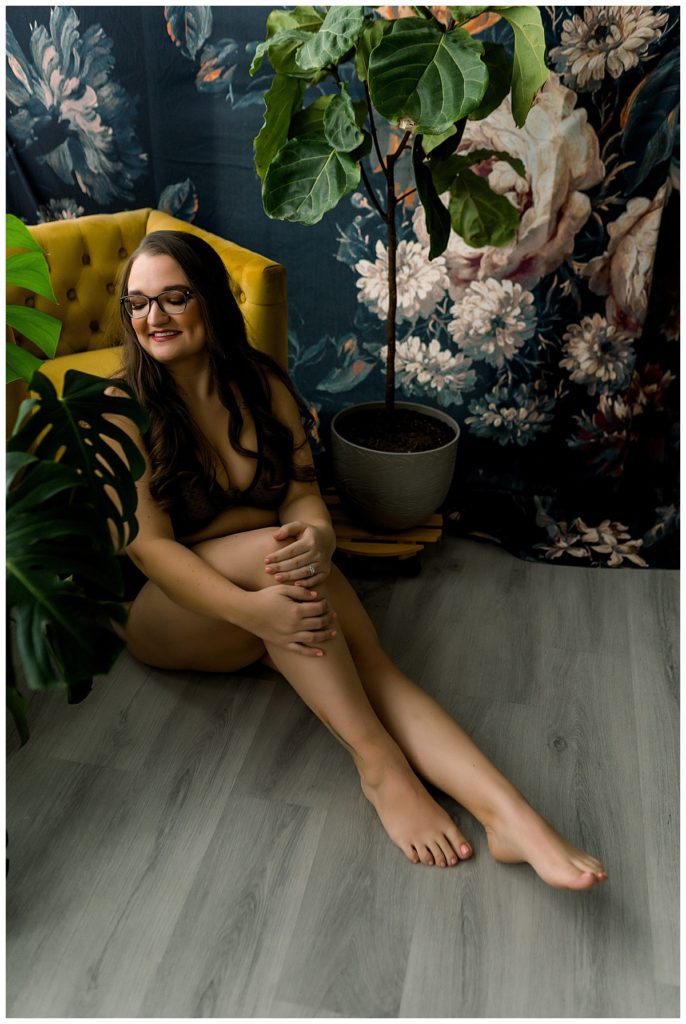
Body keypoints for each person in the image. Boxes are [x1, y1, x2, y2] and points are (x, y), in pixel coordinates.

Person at [108, 229, 608, 890]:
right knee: (278, 563)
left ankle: (513, 816)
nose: (154, 318)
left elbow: (303, 497)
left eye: (174, 298)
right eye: (138, 304)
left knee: (372, 662)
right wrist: (256, 611)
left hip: (279, 587)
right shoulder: (122, 408)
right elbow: (148, 548)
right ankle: (380, 768)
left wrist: (317, 538)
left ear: (210, 301)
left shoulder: (261, 385)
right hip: (170, 614)